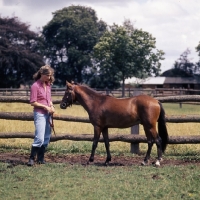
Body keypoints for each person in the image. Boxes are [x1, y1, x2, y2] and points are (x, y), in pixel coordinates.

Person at [27, 65, 55, 166]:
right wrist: (46, 107)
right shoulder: (35, 86)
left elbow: (49, 99)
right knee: (39, 137)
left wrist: (51, 106)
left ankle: (40, 158)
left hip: (48, 114)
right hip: (40, 114)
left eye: (50, 75)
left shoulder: (48, 85)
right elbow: (33, 102)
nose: (49, 77)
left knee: (47, 137)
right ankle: (31, 158)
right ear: (42, 74)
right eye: (48, 75)